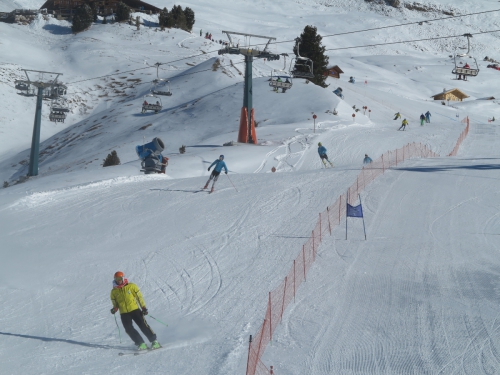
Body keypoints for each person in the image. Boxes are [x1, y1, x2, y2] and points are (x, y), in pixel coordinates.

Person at [110, 271, 161, 351]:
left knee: (143, 325)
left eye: (120, 278)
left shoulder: (131, 286)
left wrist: (143, 308)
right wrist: (115, 308)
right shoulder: (114, 291)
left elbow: (139, 297)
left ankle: (154, 341)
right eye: (117, 279)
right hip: (124, 313)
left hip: (134, 310)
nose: (118, 280)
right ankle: (141, 343)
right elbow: (115, 303)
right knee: (128, 329)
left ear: (123, 278)